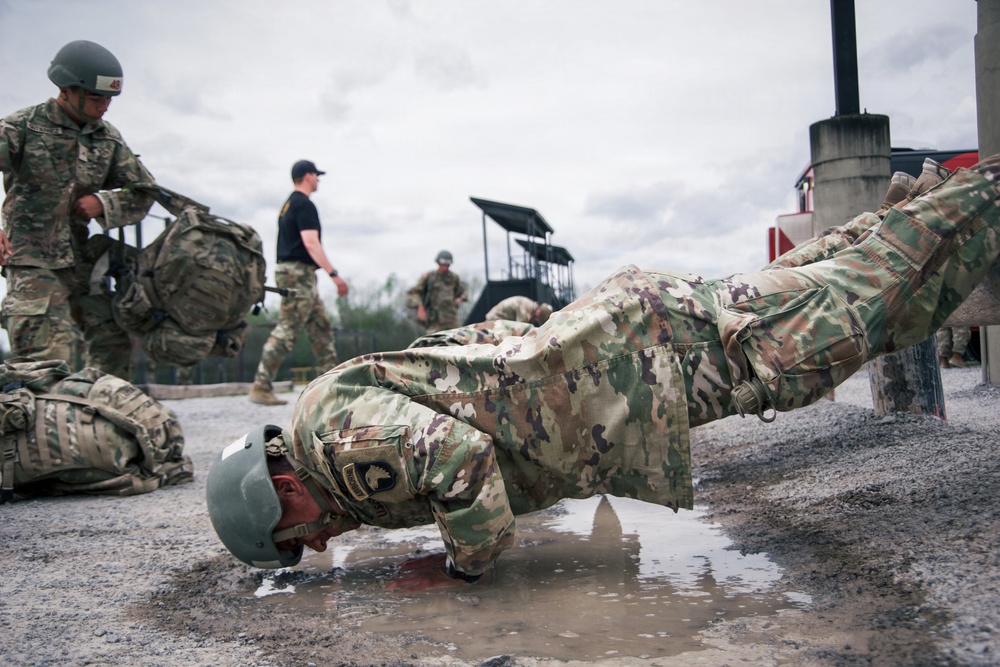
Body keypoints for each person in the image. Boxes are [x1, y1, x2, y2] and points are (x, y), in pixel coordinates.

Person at [207, 154, 1000, 591]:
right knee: (820, 302)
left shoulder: (341, 450)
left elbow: (462, 460)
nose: (315, 546)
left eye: (295, 538)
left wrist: (459, 566)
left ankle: (978, 198)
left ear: (281, 493)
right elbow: (496, 329)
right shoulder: (329, 413)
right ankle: (922, 207)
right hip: (628, 343)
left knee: (826, 332)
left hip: (640, 372)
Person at [0, 40, 156, 379]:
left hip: (83, 260)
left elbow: (145, 192)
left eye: (110, 99)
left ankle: (98, 423)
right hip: (32, 261)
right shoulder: (22, 127)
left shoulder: (107, 139)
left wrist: (104, 202)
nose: (105, 107)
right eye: (97, 98)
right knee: (47, 355)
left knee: (113, 344)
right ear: (67, 90)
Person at [248, 160, 349, 406]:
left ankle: (333, 388)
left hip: (297, 273)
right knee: (288, 328)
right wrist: (333, 273)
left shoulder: (289, 204)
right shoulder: (304, 204)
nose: (319, 180)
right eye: (317, 175)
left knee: (321, 329)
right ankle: (261, 386)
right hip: (298, 274)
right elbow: (311, 243)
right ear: (307, 176)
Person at [408, 250, 467, 333]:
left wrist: (460, 299)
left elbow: (464, 291)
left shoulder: (454, 278)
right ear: (438, 263)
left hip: (451, 319)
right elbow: (414, 293)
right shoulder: (429, 277)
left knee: (456, 341)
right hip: (435, 320)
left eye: (447, 264)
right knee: (433, 342)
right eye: (443, 264)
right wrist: (420, 307)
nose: (445, 267)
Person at [484, 295, 553, 325]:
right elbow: (520, 329)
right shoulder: (528, 308)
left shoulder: (531, 308)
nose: (537, 321)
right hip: (494, 320)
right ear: (538, 313)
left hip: (499, 321)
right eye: (540, 319)